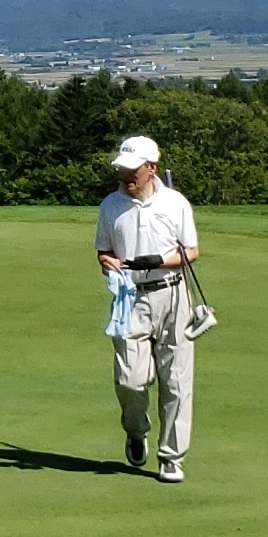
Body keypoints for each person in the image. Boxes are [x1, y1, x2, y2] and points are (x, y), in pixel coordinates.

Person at [94, 135, 199, 480]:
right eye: (122, 169)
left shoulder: (175, 203)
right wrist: (107, 262)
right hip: (130, 299)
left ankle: (171, 457)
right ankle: (136, 430)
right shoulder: (110, 205)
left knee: (177, 381)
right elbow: (104, 251)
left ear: (151, 168)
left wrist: (159, 261)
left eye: (133, 169)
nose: (126, 175)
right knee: (130, 379)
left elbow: (192, 252)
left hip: (173, 295)